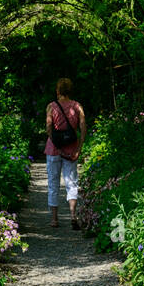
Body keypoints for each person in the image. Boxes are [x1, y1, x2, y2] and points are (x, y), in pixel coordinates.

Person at [45, 78, 86, 229]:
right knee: (72, 183)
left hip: (53, 150)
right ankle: (73, 216)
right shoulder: (77, 106)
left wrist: (57, 145)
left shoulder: (51, 107)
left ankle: (54, 219)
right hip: (71, 149)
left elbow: (49, 128)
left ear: (58, 91)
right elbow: (83, 128)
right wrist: (79, 148)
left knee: (53, 183)